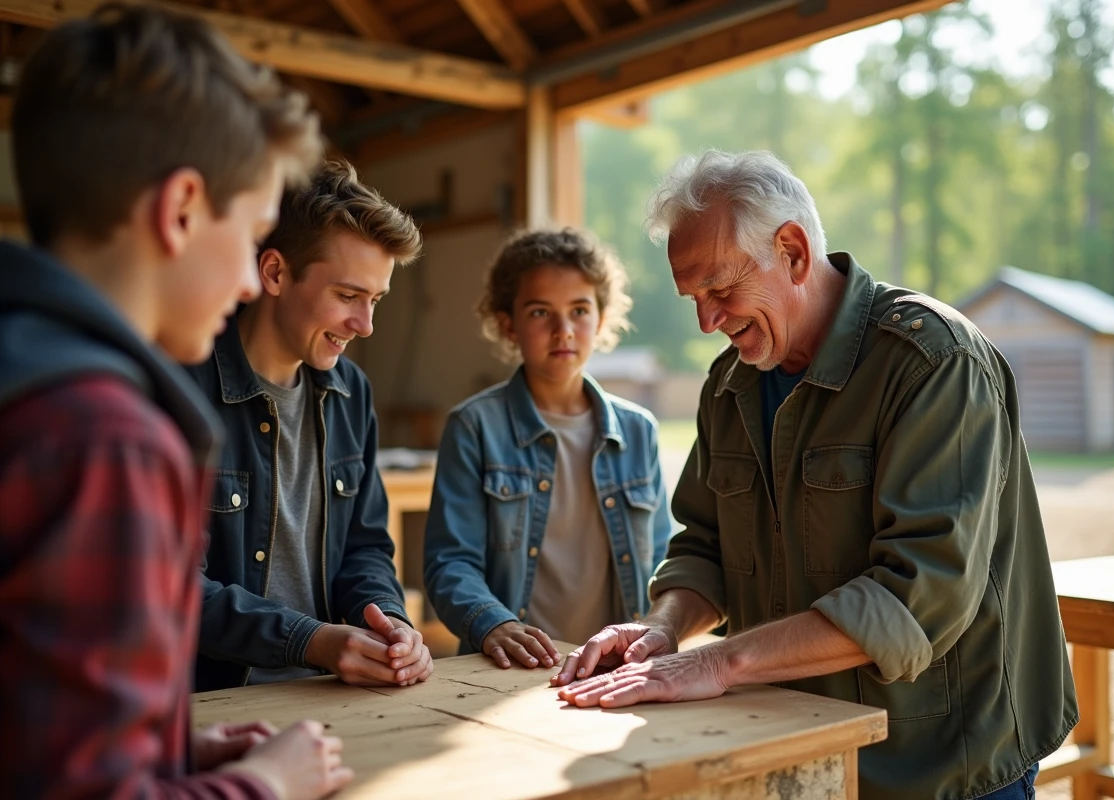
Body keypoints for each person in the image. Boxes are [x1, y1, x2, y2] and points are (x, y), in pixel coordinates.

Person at [553, 151, 1076, 800]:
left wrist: (717, 661)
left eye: (720, 289)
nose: (707, 322)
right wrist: (663, 629)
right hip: (796, 742)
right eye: (694, 299)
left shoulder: (934, 362)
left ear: (794, 252)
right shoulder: (729, 385)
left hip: (943, 763)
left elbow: (917, 596)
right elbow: (704, 547)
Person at [0, 5, 354, 798]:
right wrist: (270, 782)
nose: (243, 283)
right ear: (182, 210)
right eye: (250, 229)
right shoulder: (107, 437)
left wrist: (168, 750)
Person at [188, 159, 433, 691]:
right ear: (274, 273)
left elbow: (365, 549)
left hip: (328, 695)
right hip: (213, 707)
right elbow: (174, 589)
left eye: (375, 301)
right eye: (347, 296)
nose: (365, 325)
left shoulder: (353, 393)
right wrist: (310, 640)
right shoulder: (185, 390)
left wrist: (388, 620)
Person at [424, 228, 673, 669]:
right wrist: (492, 624)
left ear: (600, 318)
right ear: (508, 324)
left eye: (579, 310)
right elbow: (450, 564)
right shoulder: (474, 426)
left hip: (614, 667)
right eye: (541, 312)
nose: (563, 331)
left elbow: (662, 560)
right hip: (508, 667)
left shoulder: (639, 431)